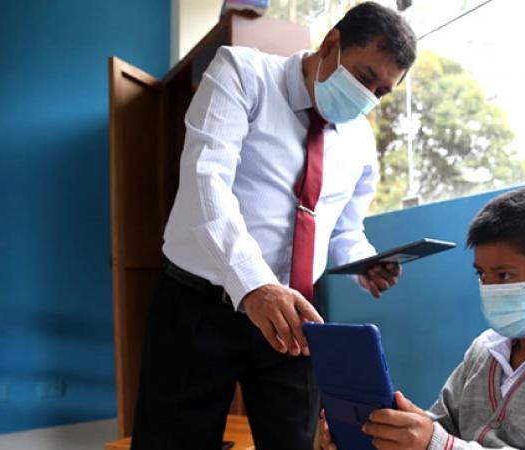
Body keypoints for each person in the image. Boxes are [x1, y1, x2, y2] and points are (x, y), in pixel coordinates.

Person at [130, 3, 417, 449]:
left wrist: (364, 263)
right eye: (364, 77)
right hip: (198, 306)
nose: (367, 97)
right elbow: (206, 180)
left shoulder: (360, 140)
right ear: (332, 44)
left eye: (381, 91)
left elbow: (343, 230)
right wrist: (255, 285)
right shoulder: (242, 74)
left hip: (293, 320)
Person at [318, 186, 525, 450]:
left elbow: (440, 443)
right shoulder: (485, 350)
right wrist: (384, 433)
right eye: (482, 275)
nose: (489, 289)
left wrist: (437, 443)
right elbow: (439, 429)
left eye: (504, 275)